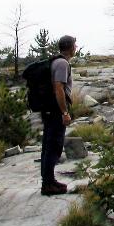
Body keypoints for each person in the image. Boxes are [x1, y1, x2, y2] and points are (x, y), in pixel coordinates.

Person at [40, 35, 76, 196]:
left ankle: (49, 180)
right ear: (70, 47)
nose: (76, 47)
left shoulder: (56, 61)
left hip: (49, 109)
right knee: (54, 146)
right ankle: (48, 184)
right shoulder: (62, 63)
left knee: (48, 146)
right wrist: (65, 112)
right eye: (75, 45)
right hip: (55, 110)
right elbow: (58, 88)